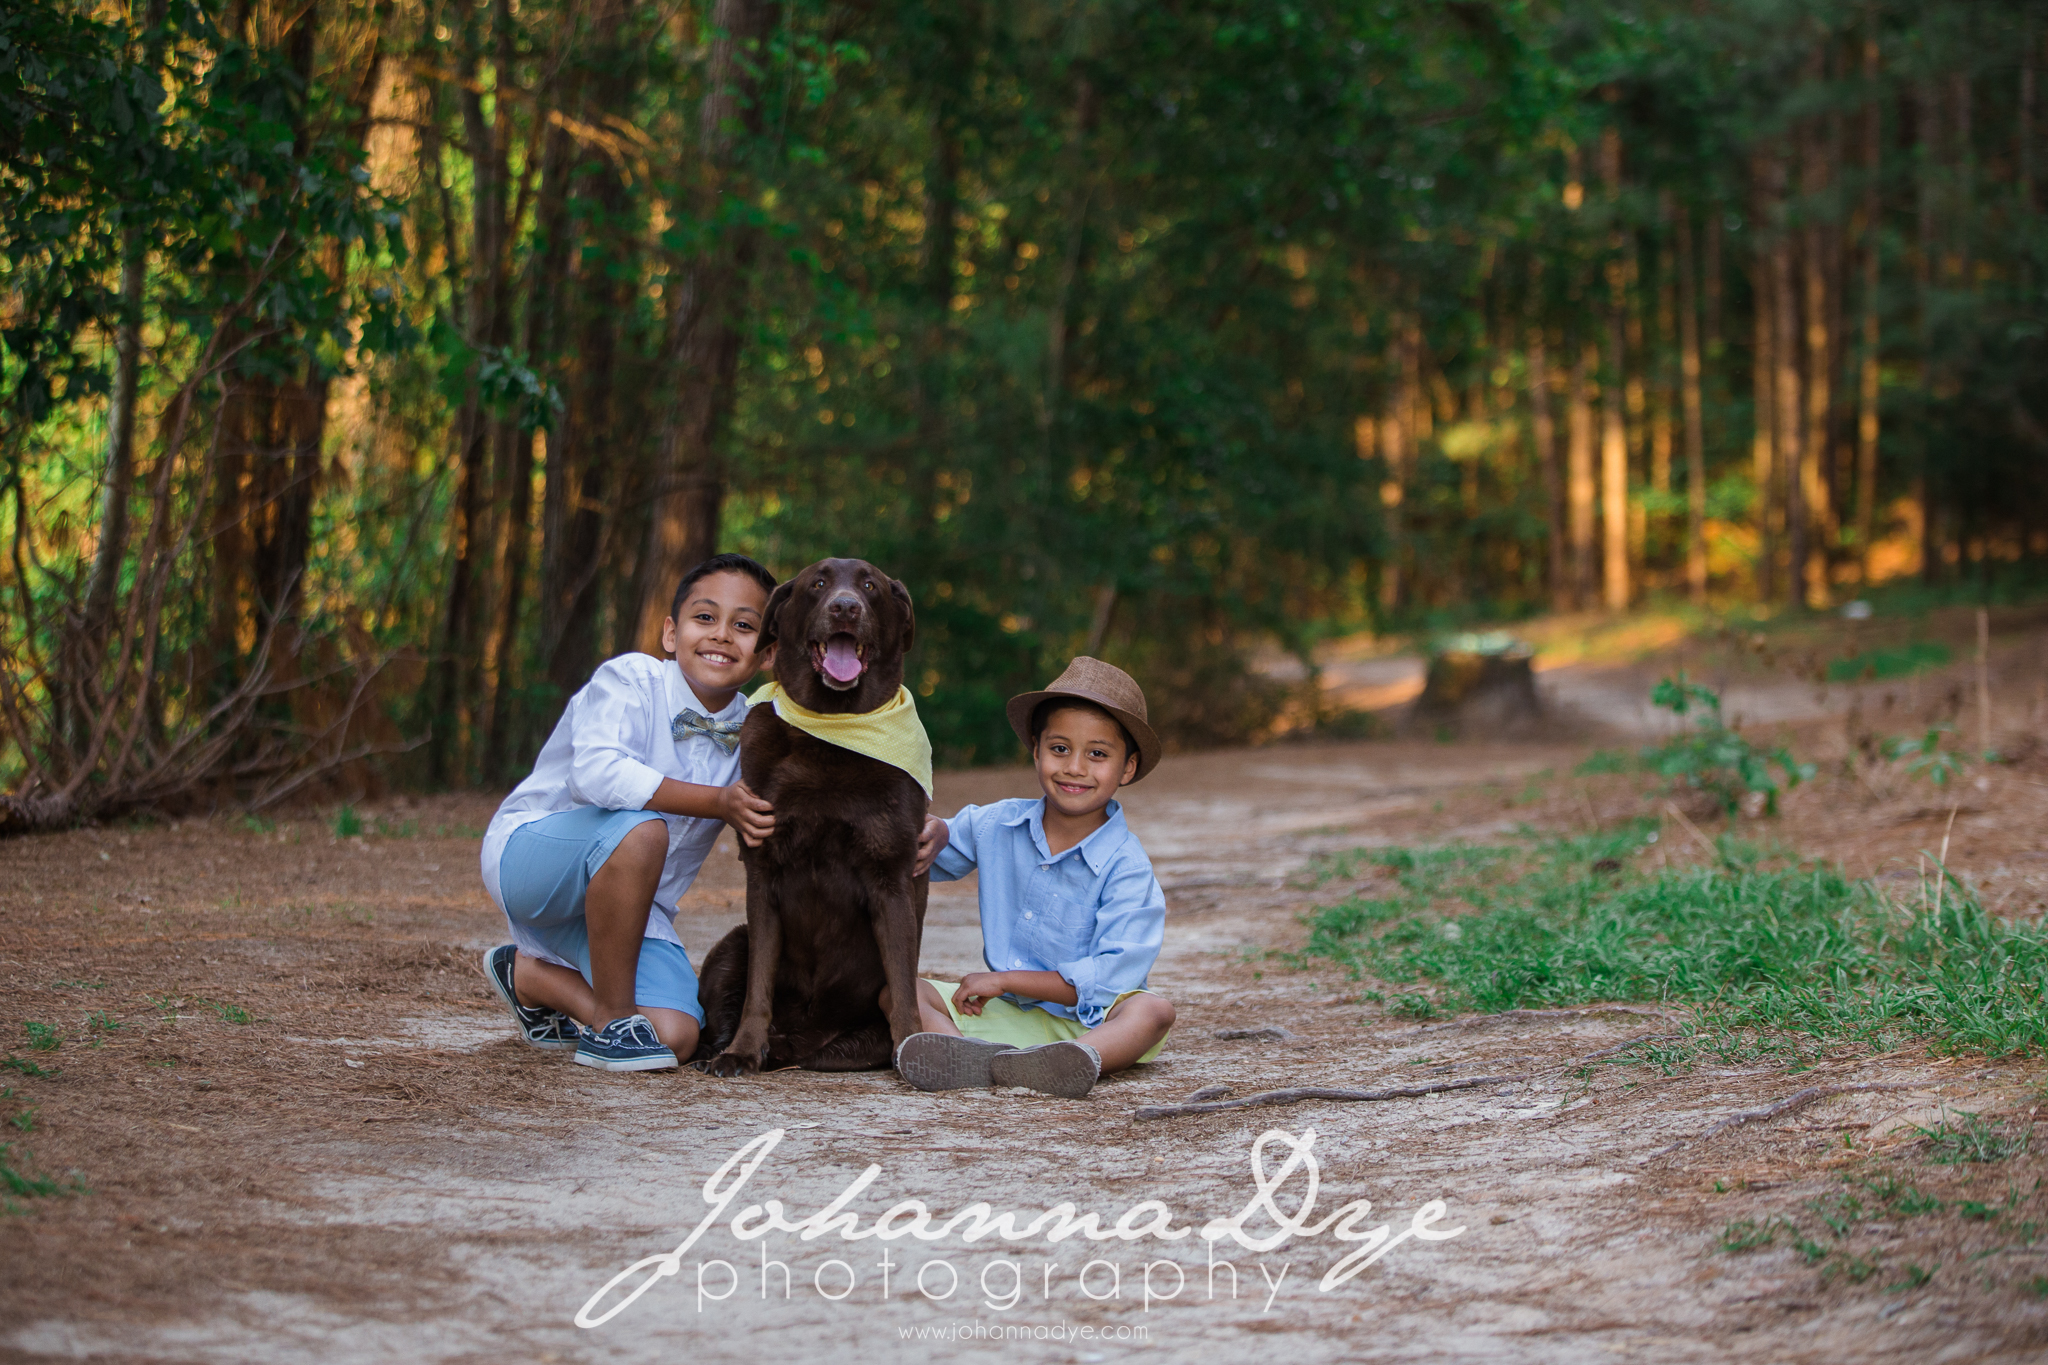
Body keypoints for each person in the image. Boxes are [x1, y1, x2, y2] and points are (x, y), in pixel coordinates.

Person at [476, 553, 780, 1073]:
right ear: (670, 632)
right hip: (534, 865)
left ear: (768, 653)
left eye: (745, 626)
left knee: (677, 1036)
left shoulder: (754, 730)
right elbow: (594, 775)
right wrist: (716, 802)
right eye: (704, 618)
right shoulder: (630, 679)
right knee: (642, 831)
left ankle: (529, 976)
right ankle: (613, 1023)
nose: (722, 635)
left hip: (633, 909)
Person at [890, 657, 1175, 1099]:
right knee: (902, 987)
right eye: (1060, 748)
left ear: (1127, 768)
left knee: (1153, 1010)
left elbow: (1109, 979)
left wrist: (1005, 980)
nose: (1075, 767)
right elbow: (937, 847)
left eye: (1097, 754)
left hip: (1093, 1024)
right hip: (1004, 1014)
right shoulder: (998, 824)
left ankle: (1072, 1061)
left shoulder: (1127, 868)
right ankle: (965, 1056)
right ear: (1036, 749)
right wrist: (936, 831)